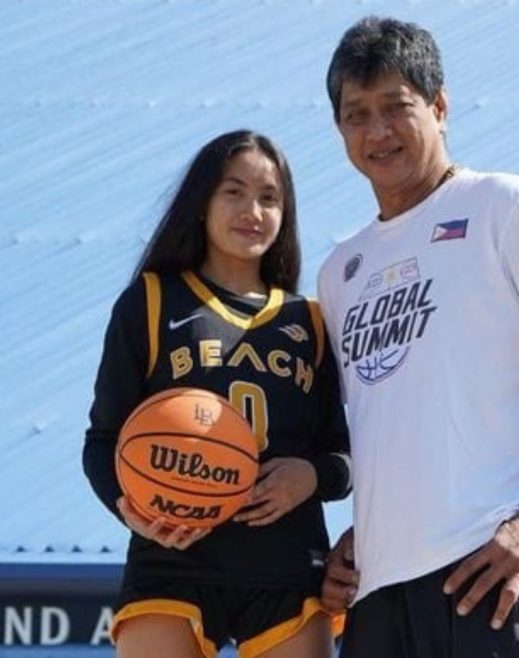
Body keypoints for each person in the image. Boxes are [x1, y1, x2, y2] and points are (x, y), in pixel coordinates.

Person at [315, 17, 519, 658]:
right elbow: (384, 427)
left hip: (492, 568)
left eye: (396, 107)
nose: (377, 131)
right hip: (377, 594)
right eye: (357, 114)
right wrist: (363, 535)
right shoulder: (340, 271)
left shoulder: (507, 206)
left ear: (439, 106)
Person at [82, 129, 352, 658]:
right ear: (201, 203)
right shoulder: (151, 301)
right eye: (234, 192)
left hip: (286, 564)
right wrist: (129, 509)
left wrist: (311, 476)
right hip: (173, 560)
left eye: (270, 198)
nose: (253, 211)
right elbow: (102, 442)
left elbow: (345, 455)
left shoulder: (311, 321)